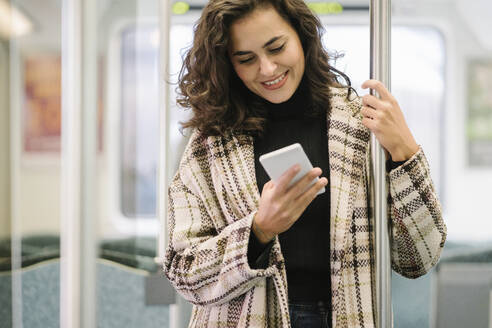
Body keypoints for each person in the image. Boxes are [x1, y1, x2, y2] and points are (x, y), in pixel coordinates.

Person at [163, 0, 447, 327]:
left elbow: (419, 259)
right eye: (246, 59)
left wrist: (405, 152)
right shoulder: (209, 143)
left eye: (276, 47)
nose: (267, 69)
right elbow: (183, 272)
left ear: (302, 36)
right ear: (228, 64)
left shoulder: (361, 125)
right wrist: (258, 231)